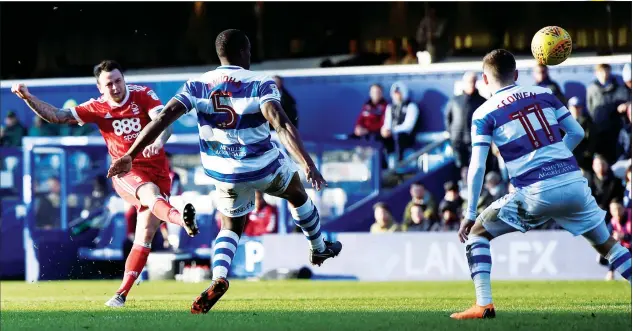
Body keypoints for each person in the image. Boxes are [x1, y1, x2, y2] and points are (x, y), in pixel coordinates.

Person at [106, 29, 342, 315]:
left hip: (224, 172)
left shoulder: (197, 85)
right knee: (296, 192)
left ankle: (219, 277)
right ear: (244, 52)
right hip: (261, 165)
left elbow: (166, 115)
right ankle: (318, 246)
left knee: (230, 227)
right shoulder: (260, 83)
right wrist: (308, 164)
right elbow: (280, 123)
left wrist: (130, 154)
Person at [452, 49, 631, 320]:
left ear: (485, 81)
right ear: (516, 74)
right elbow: (577, 132)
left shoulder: (484, 112)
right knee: (609, 245)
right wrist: (558, 156)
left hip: (535, 192)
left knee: (477, 233)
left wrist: (469, 213)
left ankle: (484, 306)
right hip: (573, 184)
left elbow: (477, 167)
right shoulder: (544, 94)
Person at [11, 60, 199, 308]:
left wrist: (160, 140)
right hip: (126, 171)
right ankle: (181, 221)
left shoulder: (143, 95)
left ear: (124, 79)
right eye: (108, 84)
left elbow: (163, 122)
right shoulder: (97, 107)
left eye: (118, 80)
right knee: (150, 194)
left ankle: (121, 294)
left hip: (158, 170)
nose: (115, 87)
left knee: (145, 234)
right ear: (100, 88)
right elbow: (58, 116)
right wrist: (28, 98)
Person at [586, 63, 630, 164]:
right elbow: (589, 107)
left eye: (606, 71)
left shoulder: (618, 87)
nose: (604, 74)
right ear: (596, 73)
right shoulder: (592, 88)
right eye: (601, 71)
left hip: (614, 128)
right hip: (599, 129)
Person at [445, 72, 487, 170]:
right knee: (459, 167)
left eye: (473, 81)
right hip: (457, 140)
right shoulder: (454, 101)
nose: (471, 84)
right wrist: (451, 134)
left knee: (474, 167)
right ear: (464, 82)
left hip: (475, 141)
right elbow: (448, 118)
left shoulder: (482, 102)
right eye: (469, 82)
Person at [381, 82, 420, 163]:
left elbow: (408, 126)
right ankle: (383, 163)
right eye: (395, 94)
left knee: (398, 137)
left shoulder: (411, 106)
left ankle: (399, 164)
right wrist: (385, 130)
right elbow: (387, 122)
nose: (397, 96)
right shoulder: (390, 107)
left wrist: (392, 130)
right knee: (380, 138)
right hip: (392, 135)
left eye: (399, 93)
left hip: (406, 137)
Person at [567, 97, 594, 172]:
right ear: (569, 108)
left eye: (579, 107)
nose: (576, 110)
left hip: (583, 164)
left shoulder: (588, 124)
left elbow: (591, 145)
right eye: (574, 107)